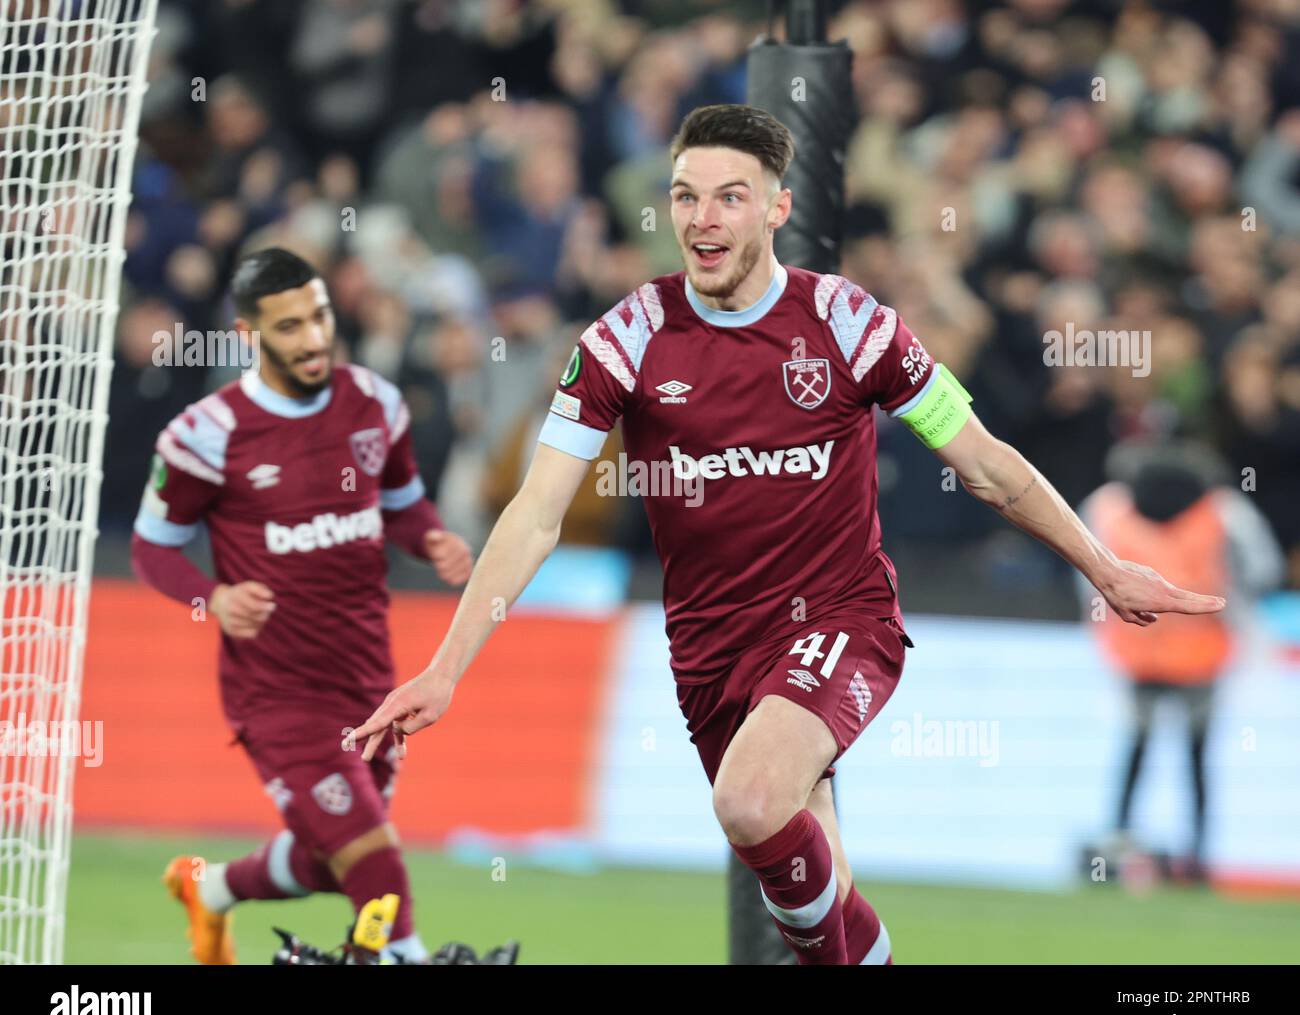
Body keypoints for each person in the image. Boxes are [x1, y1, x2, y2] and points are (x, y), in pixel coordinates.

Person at [352, 105, 1224, 964]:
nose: (703, 219)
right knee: (829, 905)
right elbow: (536, 514)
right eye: (686, 196)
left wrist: (1105, 568)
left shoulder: (849, 325)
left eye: (731, 197)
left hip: (840, 620)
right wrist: (445, 666)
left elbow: (988, 464)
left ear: (777, 208)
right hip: (709, 650)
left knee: (751, 798)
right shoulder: (626, 339)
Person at [131, 248, 472, 964]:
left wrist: (431, 537)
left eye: (319, 316)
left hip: (372, 682)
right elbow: (152, 549)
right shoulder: (205, 434)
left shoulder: (376, 402)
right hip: (277, 692)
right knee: (375, 859)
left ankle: (212, 889)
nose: (314, 338)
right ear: (251, 335)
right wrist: (214, 596)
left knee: (330, 857)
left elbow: (402, 503)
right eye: (290, 327)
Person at [1081, 444, 1283, 881]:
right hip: (1203, 651)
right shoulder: (1225, 511)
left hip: (1137, 650)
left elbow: (1084, 569)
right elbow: (1264, 568)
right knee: (1197, 755)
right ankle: (1198, 857)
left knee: (1135, 748)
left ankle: (1117, 846)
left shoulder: (1109, 505)